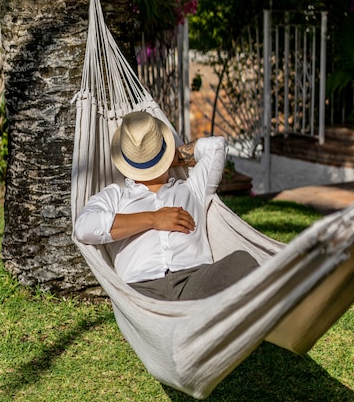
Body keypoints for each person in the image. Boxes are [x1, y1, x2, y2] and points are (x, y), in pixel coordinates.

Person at [74, 111, 259, 300]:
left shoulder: (194, 188)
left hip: (195, 280)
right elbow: (84, 227)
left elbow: (216, 146)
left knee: (241, 262)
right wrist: (154, 219)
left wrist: (161, 158)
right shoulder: (115, 195)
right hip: (142, 292)